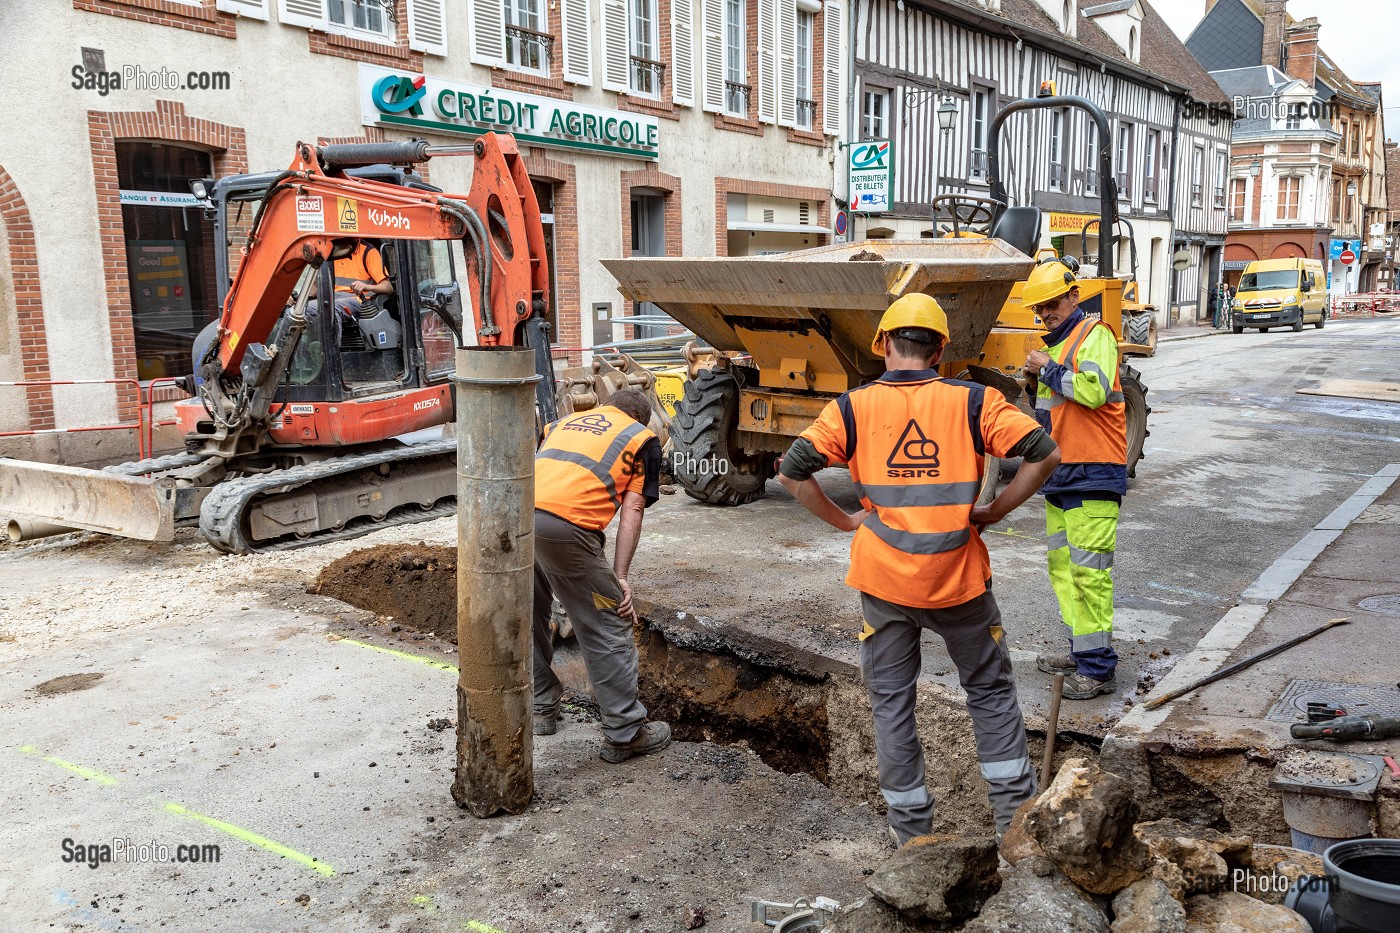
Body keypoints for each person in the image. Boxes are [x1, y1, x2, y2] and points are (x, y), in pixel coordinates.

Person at [778, 294, 1061, 845]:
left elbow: (792, 472)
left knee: (891, 702)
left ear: (883, 343)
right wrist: (994, 511)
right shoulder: (974, 402)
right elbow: (1044, 453)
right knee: (989, 693)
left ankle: (912, 841)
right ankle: (1015, 832)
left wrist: (846, 521)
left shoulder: (851, 408)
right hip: (959, 580)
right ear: (939, 350)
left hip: (884, 582)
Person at [531, 387, 672, 764]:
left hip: (519, 518)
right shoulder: (641, 438)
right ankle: (626, 732)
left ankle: (540, 705)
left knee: (527, 611)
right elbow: (633, 508)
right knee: (609, 618)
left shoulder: (560, 424)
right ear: (641, 418)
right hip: (567, 529)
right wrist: (620, 577)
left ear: (606, 407)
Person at [1022, 257, 1129, 700]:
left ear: (1073, 296)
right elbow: (1052, 412)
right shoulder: (1059, 346)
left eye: (1052, 304)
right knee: (1065, 570)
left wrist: (1045, 369)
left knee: (1090, 575)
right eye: (1040, 308)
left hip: (1094, 472)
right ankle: (1082, 652)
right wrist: (1034, 382)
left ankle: (1098, 670)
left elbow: (1093, 391)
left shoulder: (1094, 334)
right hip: (1063, 473)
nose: (1046, 313)